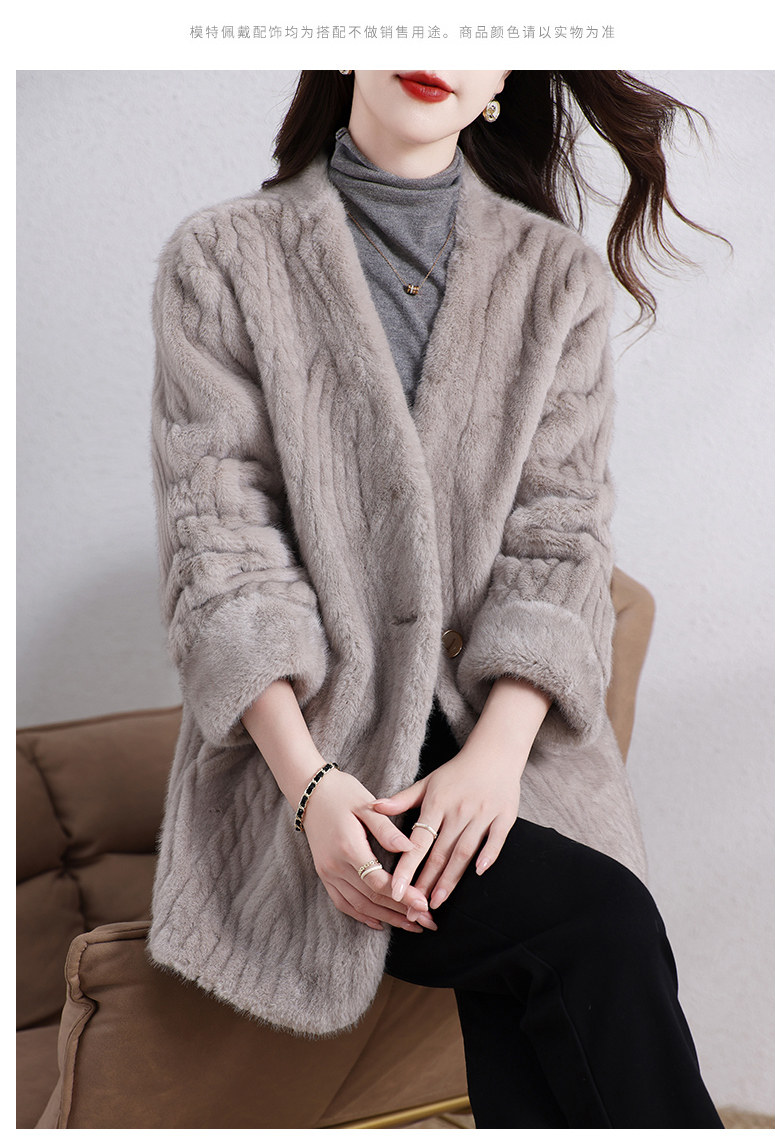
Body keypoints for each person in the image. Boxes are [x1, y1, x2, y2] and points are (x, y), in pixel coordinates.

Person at [148, 69, 724, 1128]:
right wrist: (312, 792)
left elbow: (560, 537)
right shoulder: (222, 259)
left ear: (503, 80)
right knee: (594, 923)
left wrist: (495, 758)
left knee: (546, 1004)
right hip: (318, 761)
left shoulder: (554, 275)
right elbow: (221, 555)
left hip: (506, 749)